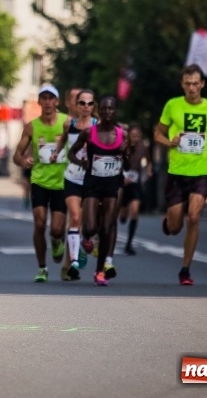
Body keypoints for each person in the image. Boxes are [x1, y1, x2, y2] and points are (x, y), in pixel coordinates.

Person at [154, 63, 207, 286]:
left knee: (193, 217)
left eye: (195, 83)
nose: (192, 88)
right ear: (182, 84)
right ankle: (170, 221)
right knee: (175, 228)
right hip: (177, 172)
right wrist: (170, 142)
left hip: (201, 172)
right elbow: (157, 133)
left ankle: (185, 270)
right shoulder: (172, 105)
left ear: (202, 84)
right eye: (188, 84)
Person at [68, 95, 128, 286]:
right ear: (98, 111)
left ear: (115, 111)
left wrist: (125, 152)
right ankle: (86, 237)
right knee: (90, 227)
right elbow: (71, 153)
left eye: (110, 108)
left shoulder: (122, 134)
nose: (107, 112)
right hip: (93, 184)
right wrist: (81, 162)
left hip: (112, 184)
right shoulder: (89, 133)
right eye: (103, 108)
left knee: (106, 228)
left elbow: (127, 161)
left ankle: (99, 271)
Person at [14, 84, 68, 283]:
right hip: (39, 181)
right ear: (39, 102)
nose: (47, 102)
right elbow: (16, 155)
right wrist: (23, 161)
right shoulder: (32, 126)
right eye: (43, 98)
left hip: (62, 182)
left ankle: (57, 240)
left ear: (57, 102)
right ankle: (42, 267)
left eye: (51, 98)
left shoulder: (66, 123)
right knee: (39, 223)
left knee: (56, 229)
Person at [51, 88, 96, 280]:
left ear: (94, 106)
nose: (86, 107)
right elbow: (64, 141)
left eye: (89, 103)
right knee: (75, 217)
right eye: (82, 103)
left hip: (91, 178)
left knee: (87, 223)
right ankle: (72, 263)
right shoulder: (69, 124)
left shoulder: (97, 125)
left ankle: (83, 245)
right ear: (76, 105)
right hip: (72, 176)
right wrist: (56, 153)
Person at [118, 123, 153, 255]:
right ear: (128, 135)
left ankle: (129, 244)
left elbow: (149, 161)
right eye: (133, 135)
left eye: (137, 135)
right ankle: (122, 212)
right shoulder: (123, 146)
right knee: (122, 216)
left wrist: (148, 170)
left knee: (135, 210)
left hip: (135, 183)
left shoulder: (143, 147)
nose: (135, 138)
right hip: (122, 182)